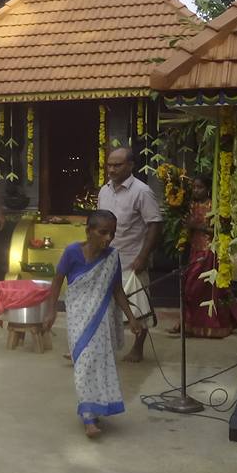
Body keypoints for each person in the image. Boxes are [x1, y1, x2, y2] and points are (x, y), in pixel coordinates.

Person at [43, 210, 145, 438]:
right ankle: (88, 415)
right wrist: (51, 312)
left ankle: (94, 407)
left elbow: (117, 289)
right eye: (102, 232)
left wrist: (132, 317)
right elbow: (58, 280)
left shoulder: (112, 257)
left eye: (112, 233)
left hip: (103, 318)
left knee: (99, 362)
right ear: (88, 231)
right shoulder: (72, 253)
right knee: (85, 361)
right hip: (79, 317)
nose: (108, 238)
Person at [97, 146, 162, 362]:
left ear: (131, 166)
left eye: (118, 165)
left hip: (133, 259)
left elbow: (154, 225)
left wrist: (143, 256)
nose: (112, 169)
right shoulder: (104, 191)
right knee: (102, 306)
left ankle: (138, 348)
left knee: (137, 305)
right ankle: (100, 347)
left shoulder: (142, 191)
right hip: (106, 258)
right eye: (110, 165)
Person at [170, 177, 237, 338]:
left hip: (209, 253)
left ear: (208, 189)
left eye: (200, 187)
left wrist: (196, 226)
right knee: (190, 289)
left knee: (202, 289)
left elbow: (222, 232)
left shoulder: (215, 206)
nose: (196, 190)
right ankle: (188, 323)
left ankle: (212, 325)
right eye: (194, 187)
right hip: (194, 251)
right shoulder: (190, 205)